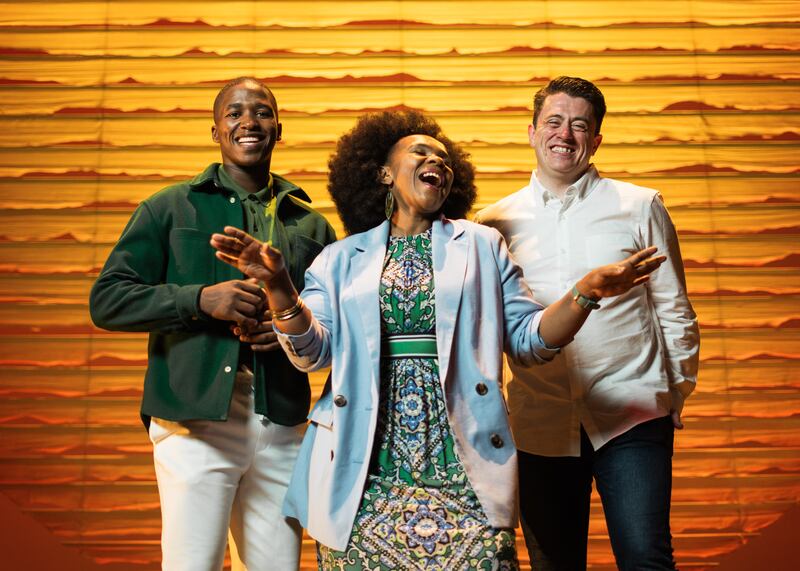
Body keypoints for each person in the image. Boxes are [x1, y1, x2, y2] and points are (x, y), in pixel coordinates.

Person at [209, 109, 665, 571]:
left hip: (463, 457)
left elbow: (529, 342)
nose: (437, 162)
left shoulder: (484, 245)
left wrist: (583, 294)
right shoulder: (340, 258)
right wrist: (279, 285)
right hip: (365, 462)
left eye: (445, 159)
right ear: (384, 173)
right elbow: (313, 352)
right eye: (421, 152)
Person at [89, 77, 336, 571]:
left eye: (262, 112)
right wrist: (202, 299)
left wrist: (284, 329)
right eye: (235, 113)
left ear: (279, 129)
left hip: (281, 419)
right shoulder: (169, 207)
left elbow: (330, 326)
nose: (249, 122)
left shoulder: (312, 226)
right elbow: (108, 300)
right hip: (194, 418)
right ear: (215, 131)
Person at [475, 76, 700, 570]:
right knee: (553, 563)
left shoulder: (640, 205)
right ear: (532, 131)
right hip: (539, 421)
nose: (565, 134)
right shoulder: (493, 223)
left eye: (580, 125)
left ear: (595, 140)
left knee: (645, 557)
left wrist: (674, 393)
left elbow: (674, 308)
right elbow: (488, 331)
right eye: (554, 122)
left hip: (632, 411)